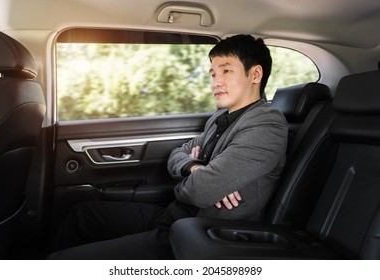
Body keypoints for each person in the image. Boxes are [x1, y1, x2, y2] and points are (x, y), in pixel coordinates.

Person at [47, 34, 288, 259]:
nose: (216, 82)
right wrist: (194, 166)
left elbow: (200, 191)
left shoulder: (267, 125)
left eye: (226, 71)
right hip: (175, 215)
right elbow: (178, 155)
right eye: (213, 74)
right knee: (82, 214)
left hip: (203, 234)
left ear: (255, 74)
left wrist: (199, 180)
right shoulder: (219, 118)